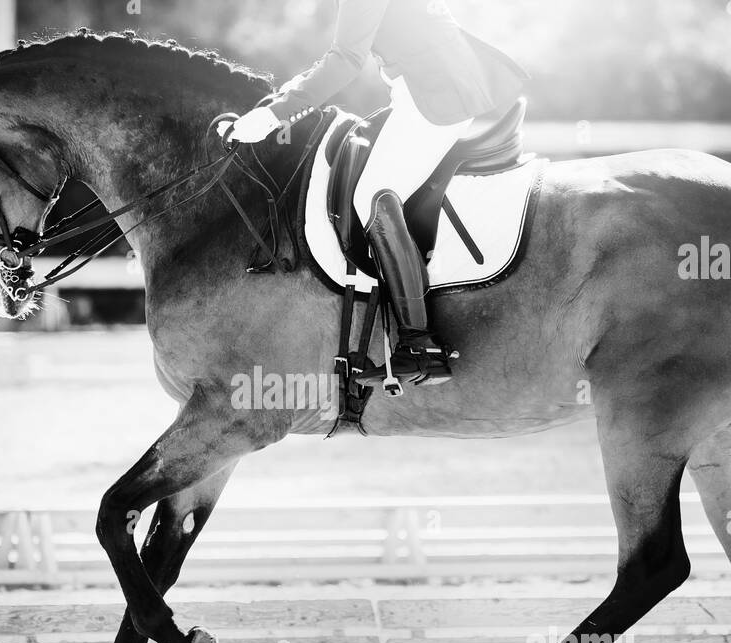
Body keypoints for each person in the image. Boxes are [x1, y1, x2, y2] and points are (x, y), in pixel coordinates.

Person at [225, 0, 528, 387]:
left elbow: (345, 59)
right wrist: (275, 106)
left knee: (374, 195)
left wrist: (272, 116)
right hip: (424, 87)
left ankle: (421, 344)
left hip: (434, 92)